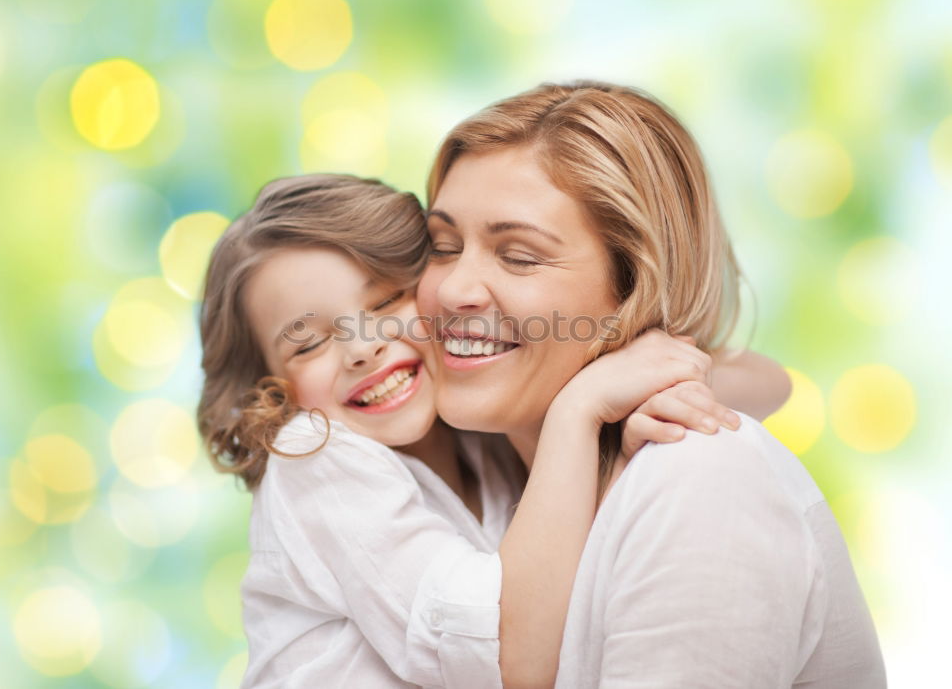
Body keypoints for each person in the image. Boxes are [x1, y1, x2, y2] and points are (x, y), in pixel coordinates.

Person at [197, 173, 786, 688]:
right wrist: (579, 406)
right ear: (272, 394)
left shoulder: (479, 424)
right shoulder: (313, 454)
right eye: (309, 343)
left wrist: (619, 363)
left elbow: (768, 384)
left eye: (384, 303)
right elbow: (510, 662)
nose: (361, 347)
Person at [419, 80, 886, 687]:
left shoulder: (696, 480)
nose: (454, 290)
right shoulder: (473, 474)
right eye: (441, 246)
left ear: (635, 285)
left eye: (520, 256)